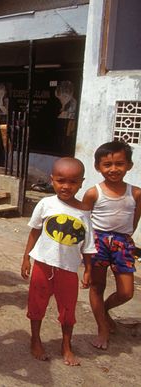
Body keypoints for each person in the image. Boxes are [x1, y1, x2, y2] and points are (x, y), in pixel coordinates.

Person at [21, 157, 96, 366]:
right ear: (52, 179)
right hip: (43, 265)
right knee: (36, 305)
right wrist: (26, 258)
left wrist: (88, 269)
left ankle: (66, 345)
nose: (66, 186)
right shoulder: (45, 204)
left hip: (68, 269)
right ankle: (35, 339)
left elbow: (88, 244)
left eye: (73, 182)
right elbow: (35, 232)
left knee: (68, 310)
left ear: (81, 182)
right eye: (61, 180)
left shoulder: (83, 212)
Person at [82, 141, 141, 350]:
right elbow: (84, 221)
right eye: (107, 164)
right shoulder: (93, 193)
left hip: (122, 243)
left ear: (129, 165)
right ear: (98, 167)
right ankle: (102, 329)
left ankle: (104, 311)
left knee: (126, 292)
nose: (114, 169)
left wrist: (124, 240)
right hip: (98, 242)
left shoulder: (135, 193)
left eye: (119, 164)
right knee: (97, 286)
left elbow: (134, 220)